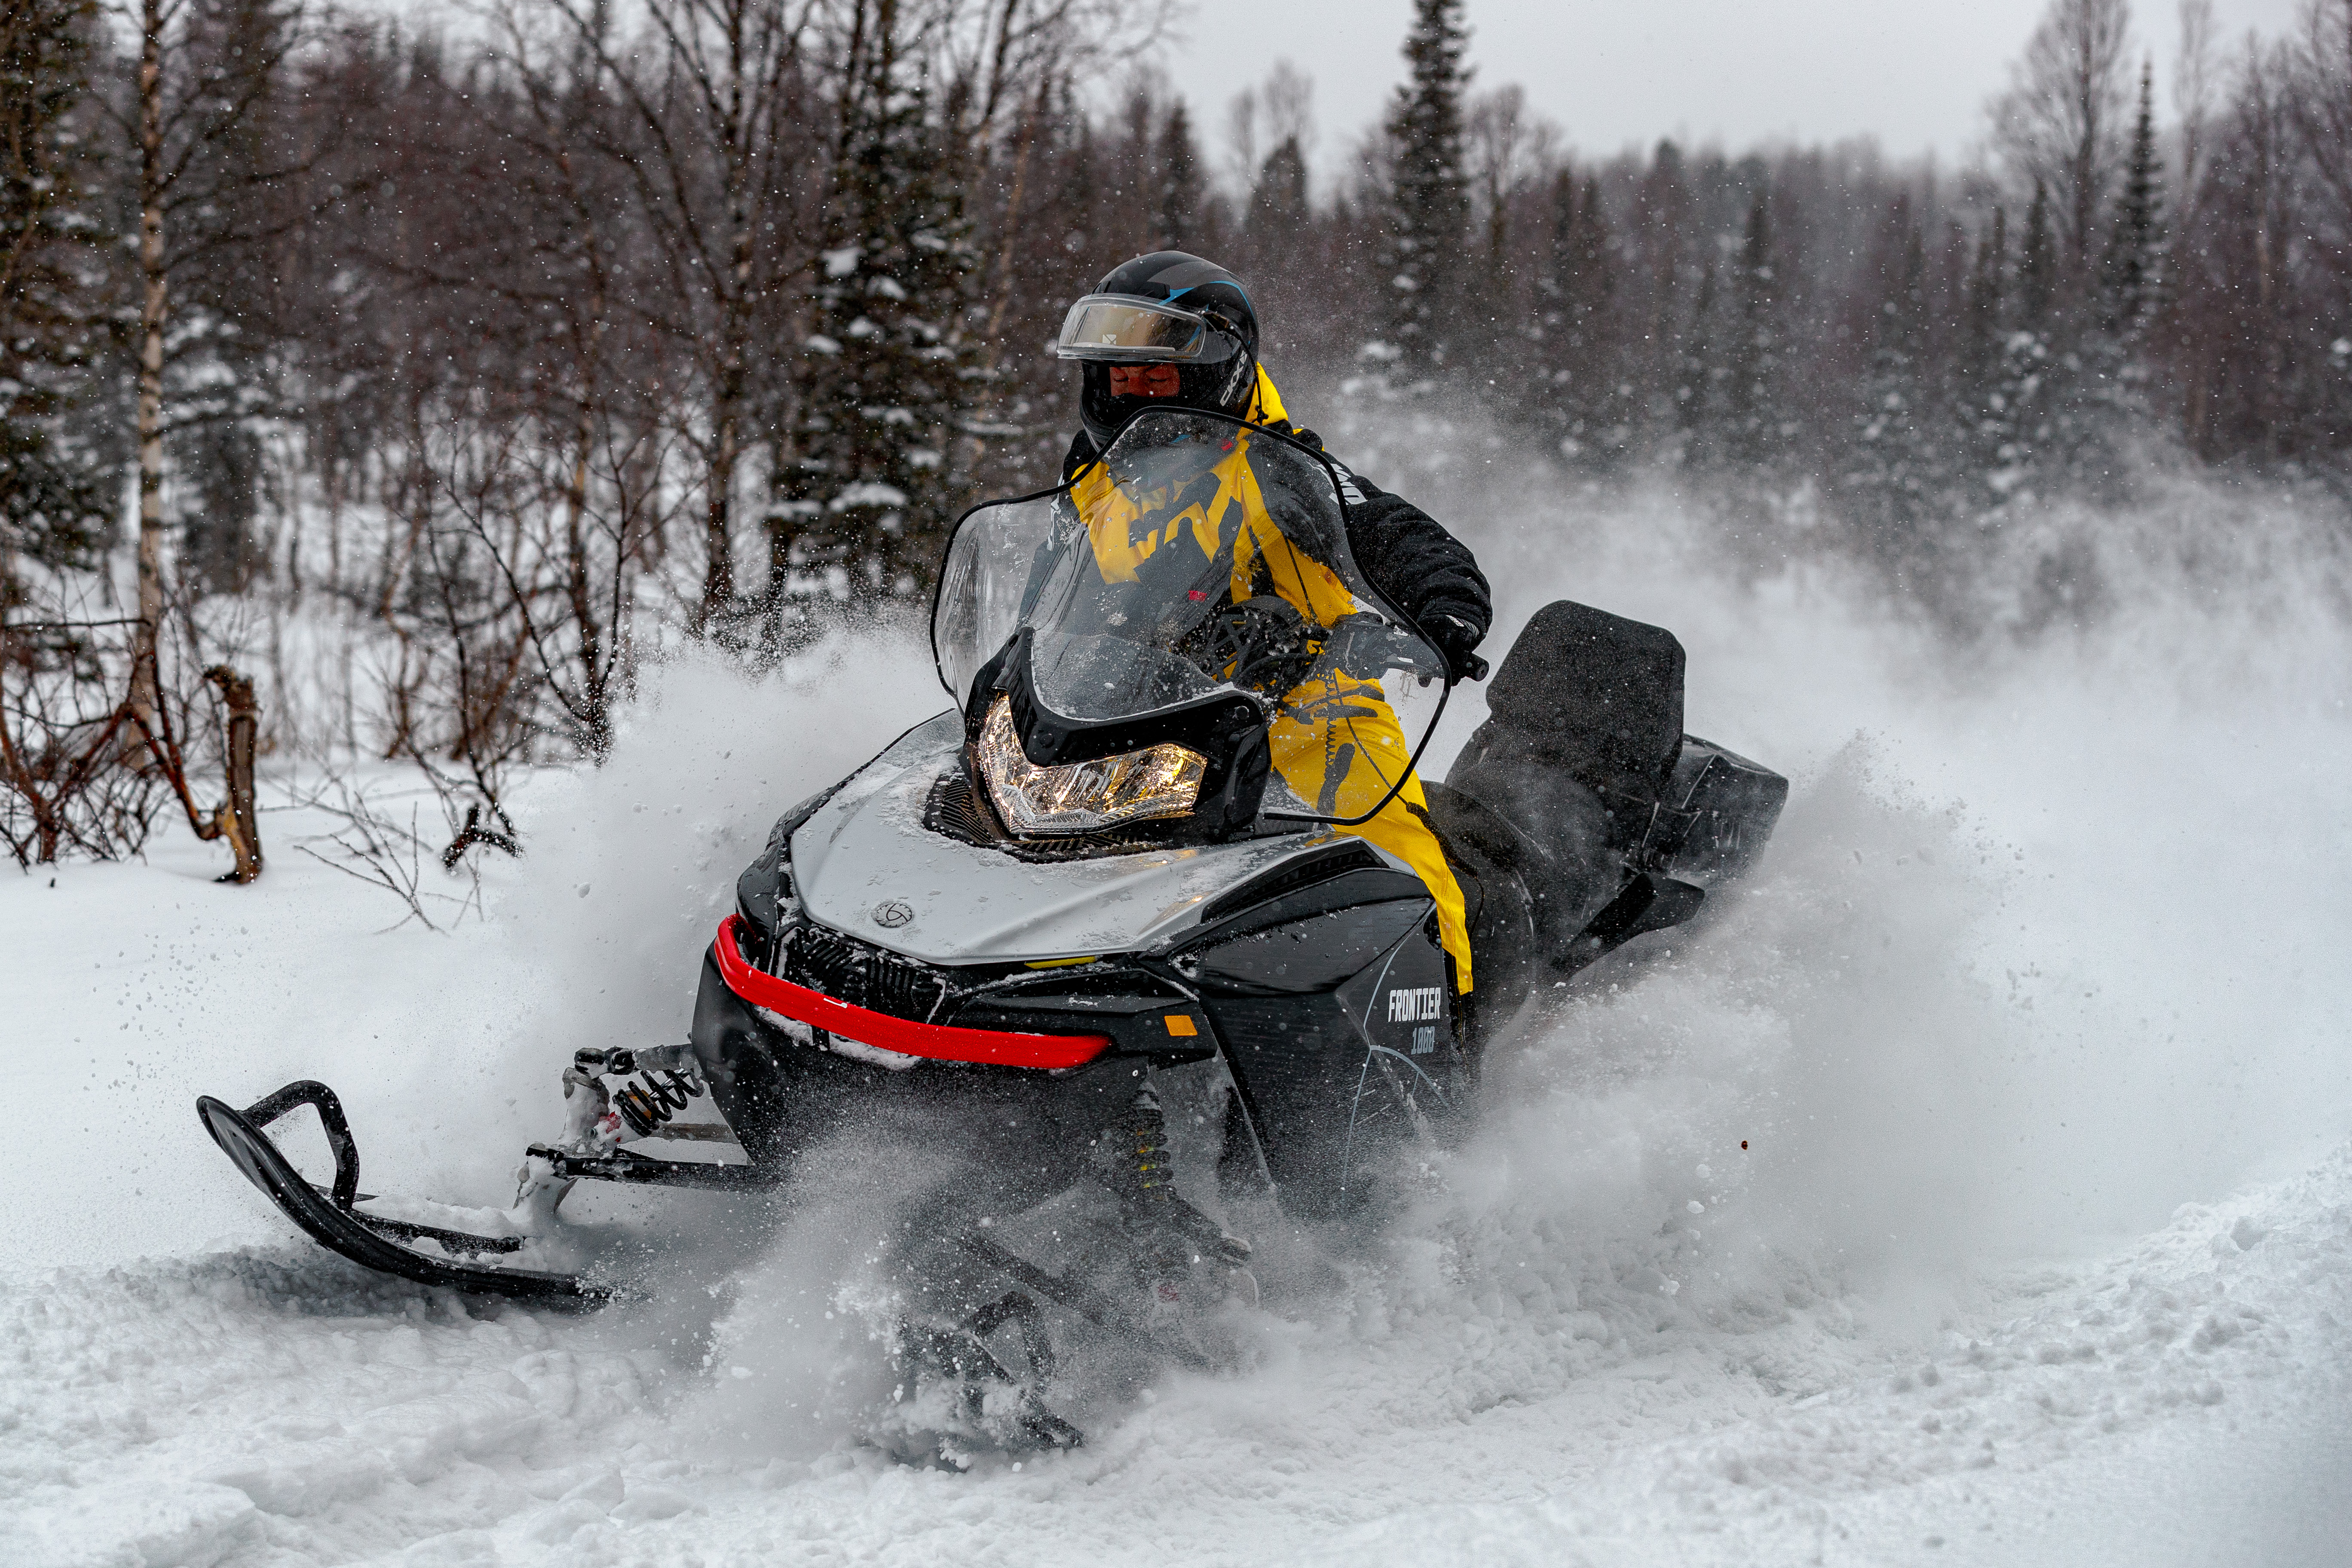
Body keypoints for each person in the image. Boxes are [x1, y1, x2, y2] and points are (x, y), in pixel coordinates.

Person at [1050, 251, 1493, 993]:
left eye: (1155, 378)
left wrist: (1444, 606)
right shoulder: (1095, 473)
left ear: (1214, 370)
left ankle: (1450, 1013)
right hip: (1144, 714)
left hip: (1308, 709)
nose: (1135, 398)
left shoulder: (1280, 464)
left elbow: (1390, 530)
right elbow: (1056, 578)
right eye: (1119, 378)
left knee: (1401, 868)